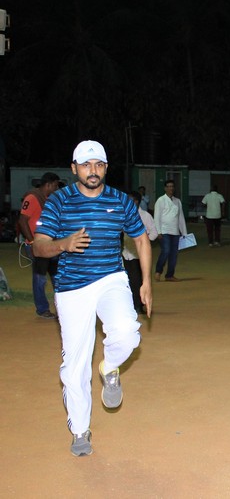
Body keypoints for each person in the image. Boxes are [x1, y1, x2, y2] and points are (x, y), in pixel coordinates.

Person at [32, 140, 152, 456]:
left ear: (106, 167)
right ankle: (80, 430)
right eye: (86, 165)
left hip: (111, 278)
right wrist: (64, 244)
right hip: (72, 287)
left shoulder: (120, 200)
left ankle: (110, 367)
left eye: (98, 164)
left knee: (127, 332)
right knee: (75, 362)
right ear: (74, 169)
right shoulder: (59, 201)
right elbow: (38, 246)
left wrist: (147, 282)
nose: (93, 171)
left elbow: (141, 238)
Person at [17, 172, 60, 319]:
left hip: (51, 244)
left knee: (57, 276)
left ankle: (62, 307)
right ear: (48, 184)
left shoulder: (49, 199)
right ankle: (42, 309)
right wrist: (32, 242)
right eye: (55, 185)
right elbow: (22, 221)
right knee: (40, 278)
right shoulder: (33, 198)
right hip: (38, 245)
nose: (56, 188)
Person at [123, 190, 158, 313]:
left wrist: (144, 241)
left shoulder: (145, 216)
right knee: (126, 280)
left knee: (137, 280)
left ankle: (138, 305)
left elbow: (154, 232)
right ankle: (129, 304)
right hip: (125, 253)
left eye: (131, 200)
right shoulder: (123, 215)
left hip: (139, 255)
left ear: (137, 202)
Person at [153, 179, 188, 282]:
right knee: (166, 251)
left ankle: (169, 275)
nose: (170, 188)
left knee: (174, 254)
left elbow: (180, 217)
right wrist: (158, 231)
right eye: (168, 186)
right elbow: (157, 216)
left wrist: (184, 232)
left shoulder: (177, 201)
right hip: (164, 231)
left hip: (175, 232)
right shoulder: (161, 200)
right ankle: (158, 271)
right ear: (165, 188)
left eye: (172, 186)